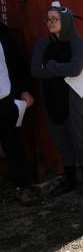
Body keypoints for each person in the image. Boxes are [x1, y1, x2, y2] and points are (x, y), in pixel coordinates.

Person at [30, 3, 83, 197]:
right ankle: (70, 179)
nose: (50, 23)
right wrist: (59, 68)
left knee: (79, 138)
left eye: (54, 19)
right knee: (62, 140)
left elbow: (75, 68)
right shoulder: (43, 44)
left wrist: (50, 67)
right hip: (51, 97)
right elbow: (35, 71)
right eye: (48, 19)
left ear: (65, 21)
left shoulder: (79, 42)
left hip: (73, 99)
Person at [0, 22, 37, 201]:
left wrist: (24, 90)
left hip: (6, 100)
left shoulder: (3, 34)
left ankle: (23, 186)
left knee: (13, 144)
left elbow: (17, 64)